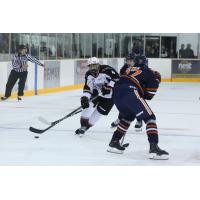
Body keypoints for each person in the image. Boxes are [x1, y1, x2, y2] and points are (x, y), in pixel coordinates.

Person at [107, 54, 169, 160]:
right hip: (130, 92)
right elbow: (149, 95)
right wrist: (157, 81)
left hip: (116, 93)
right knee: (150, 118)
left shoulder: (127, 69)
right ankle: (154, 148)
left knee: (128, 117)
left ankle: (114, 142)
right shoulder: (152, 73)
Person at [75, 57, 119, 136]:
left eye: (94, 66)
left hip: (110, 97)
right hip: (96, 94)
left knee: (96, 115)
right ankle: (82, 127)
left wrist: (109, 87)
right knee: (86, 109)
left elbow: (117, 78)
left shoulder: (107, 70)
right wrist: (85, 98)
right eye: (91, 66)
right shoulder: (88, 74)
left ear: (98, 65)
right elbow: (88, 88)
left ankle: (85, 128)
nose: (93, 68)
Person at [111, 54, 148, 131]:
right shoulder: (125, 68)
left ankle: (139, 120)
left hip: (137, 90)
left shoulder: (143, 68)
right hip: (127, 90)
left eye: (131, 61)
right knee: (124, 106)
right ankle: (120, 119)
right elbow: (121, 77)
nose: (129, 62)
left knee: (138, 106)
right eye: (127, 61)